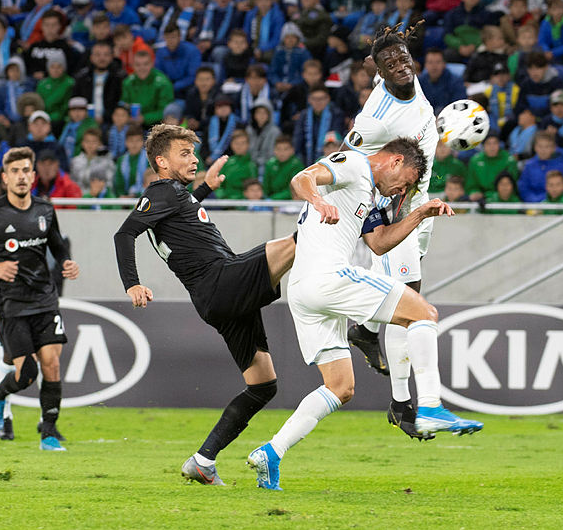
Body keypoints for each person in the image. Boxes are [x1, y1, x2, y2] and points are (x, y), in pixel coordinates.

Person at [247, 140, 480, 491]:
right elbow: (301, 178)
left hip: (305, 291)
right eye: (406, 181)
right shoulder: (354, 164)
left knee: (340, 387)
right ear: (395, 161)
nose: (402, 190)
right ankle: (431, 406)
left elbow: (379, 243)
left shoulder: (367, 192)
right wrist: (318, 201)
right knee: (423, 312)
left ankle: (271, 452)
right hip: (328, 277)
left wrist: (419, 214)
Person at [113, 124, 297, 486]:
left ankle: (202, 461)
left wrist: (206, 188)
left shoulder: (174, 196)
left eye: (193, 152)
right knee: (303, 237)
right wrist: (132, 283)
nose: (194, 159)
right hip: (221, 280)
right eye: (185, 153)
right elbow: (124, 233)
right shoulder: (161, 192)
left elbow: (180, 213)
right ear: (161, 162)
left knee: (263, 385)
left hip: (216, 297)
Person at [341, 25, 444, 440]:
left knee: (406, 298)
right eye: (391, 63)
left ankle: (365, 330)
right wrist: (367, 211)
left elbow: (382, 58)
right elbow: (346, 160)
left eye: (403, 58)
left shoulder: (407, 79)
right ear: (380, 71)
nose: (401, 66)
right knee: (409, 303)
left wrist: (380, 53)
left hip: (420, 202)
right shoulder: (374, 118)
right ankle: (402, 404)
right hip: (394, 207)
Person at [0, 146, 80, 451]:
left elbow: (57, 244)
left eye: (26, 170)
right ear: (5, 178)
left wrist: (66, 262)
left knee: (51, 364)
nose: (21, 176)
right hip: (10, 302)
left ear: (33, 175)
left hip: (44, 297)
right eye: (15, 171)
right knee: (26, 374)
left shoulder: (45, 209)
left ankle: (48, 433)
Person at [518, 131, 563, 202]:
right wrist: (537, 202)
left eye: (547, 146)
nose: (543, 150)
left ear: (554, 148)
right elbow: (524, 189)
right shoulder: (529, 166)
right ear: (535, 147)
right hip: (533, 205)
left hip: (556, 205)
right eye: (540, 146)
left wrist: (549, 201)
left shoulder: (561, 167)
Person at [418, 48, 467, 115]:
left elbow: (459, 107)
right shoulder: (419, 82)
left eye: (438, 62)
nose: (434, 67)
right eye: (430, 62)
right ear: (425, 65)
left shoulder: (456, 82)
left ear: (444, 64)